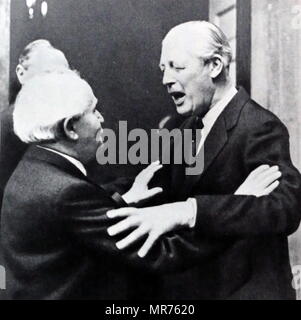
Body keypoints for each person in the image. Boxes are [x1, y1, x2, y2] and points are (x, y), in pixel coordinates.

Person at [1, 70, 279, 300]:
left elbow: (72, 231)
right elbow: (161, 254)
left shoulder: (31, 170)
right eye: (93, 111)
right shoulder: (66, 192)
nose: (101, 119)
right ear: (70, 128)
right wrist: (238, 203)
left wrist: (124, 202)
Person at [106, 21, 301, 299]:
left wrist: (190, 211)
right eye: (163, 69)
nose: (165, 80)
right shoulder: (185, 128)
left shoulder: (259, 125)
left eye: (177, 67)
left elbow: (286, 207)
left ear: (215, 66)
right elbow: (155, 182)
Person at [0, 39, 70, 211]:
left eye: (63, 76)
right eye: (47, 74)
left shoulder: (46, 122)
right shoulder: (12, 125)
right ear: (21, 73)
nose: (56, 84)